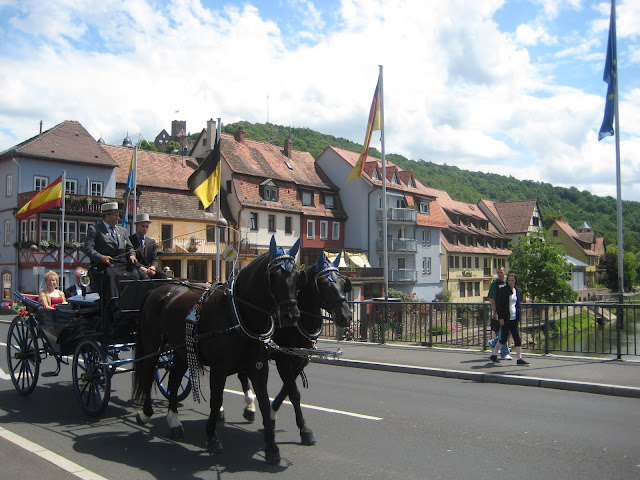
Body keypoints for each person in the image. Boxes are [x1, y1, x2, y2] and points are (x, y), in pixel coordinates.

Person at [83, 202, 140, 306]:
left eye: (118, 215)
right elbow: (88, 248)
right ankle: (114, 305)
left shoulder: (122, 231)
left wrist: (132, 255)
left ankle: (133, 303)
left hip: (122, 264)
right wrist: (101, 257)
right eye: (115, 215)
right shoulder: (95, 229)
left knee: (135, 274)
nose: (118, 217)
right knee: (110, 275)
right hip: (105, 265)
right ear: (107, 215)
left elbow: (129, 247)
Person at [490, 273, 529, 366]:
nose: (510, 282)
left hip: (514, 318)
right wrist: (501, 318)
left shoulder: (517, 291)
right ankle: (494, 354)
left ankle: (519, 359)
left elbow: (517, 305)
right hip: (506, 318)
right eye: (509, 280)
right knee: (503, 339)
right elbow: (500, 305)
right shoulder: (503, 291)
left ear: (515, 281)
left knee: (517, 339)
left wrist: (518, 316)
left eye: (512, 280)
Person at [129, 213, 166, 279]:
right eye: (143, 226)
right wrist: (142, 268)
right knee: (145, 277)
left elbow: (154, 259)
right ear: (137, 226)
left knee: (163, 275)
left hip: (149, 268)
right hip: (136, 269)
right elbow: (129, 259)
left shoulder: (151, 242)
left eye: (147, 227)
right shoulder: (130, 240)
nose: (145, 229)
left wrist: (153, 267)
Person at [487, 266, 512, 360]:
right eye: (498, 272)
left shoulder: (507, 282)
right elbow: (492, 298)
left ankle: (494, 342)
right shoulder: (495, 283)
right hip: (500, 311)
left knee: (509, 331)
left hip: (508, 311)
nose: (499, 274)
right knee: (503, 331)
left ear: (504, 272)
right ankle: (504, 353)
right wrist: (495, 312)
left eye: (501, 272)